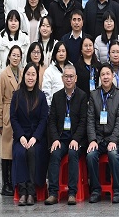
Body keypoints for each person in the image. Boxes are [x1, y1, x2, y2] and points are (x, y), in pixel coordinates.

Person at [44, 64, 87, 205]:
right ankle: (53, 193)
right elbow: (51, 121)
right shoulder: (57, 97)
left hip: (76, 139)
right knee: (55, 153)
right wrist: (55, 139)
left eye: (71, 77)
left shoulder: (82, 96)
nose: (69, 79)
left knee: (73, 153)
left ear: (76, 78)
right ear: (62, 78)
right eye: (66, 76)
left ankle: (72, 193)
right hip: (61, 139)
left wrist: (76, 139)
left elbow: (83, 121)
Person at [86, 62, 119, 204]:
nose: (105, 77)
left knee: (113, 154)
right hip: (98, 138)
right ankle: (96, 190)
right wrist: (92, 140)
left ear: (113, 76)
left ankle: (117, 191)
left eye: (108, 74)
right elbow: (90, 120)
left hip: (114, 139)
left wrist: (113, 140)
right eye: (103, 74)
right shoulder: (94, 95)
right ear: (100, 77)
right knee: (91, 155)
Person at [11, 63, 48, 206]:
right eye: (28, 74)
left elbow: (44, 119)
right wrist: (20, 136)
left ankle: (31, 192)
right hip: (20, 137)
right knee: (20, 153)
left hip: (36, 138)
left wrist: (35, 137)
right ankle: (22, 191)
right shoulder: (16, 95)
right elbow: (13, 118)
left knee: (32, 151)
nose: (30, 77)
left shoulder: (41, 96)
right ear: (23, 75)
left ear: (37, 77)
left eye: (33, 74)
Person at [0, 45, 23, 196]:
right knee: (6, 151)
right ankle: (6, 184)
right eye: (14, 55)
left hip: (20, 113)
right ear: (9, 56)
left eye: (18, 55)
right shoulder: (3, 75)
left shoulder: (22, 73)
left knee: (15, 150)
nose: (16, 58)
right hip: (7, 113)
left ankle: (14, 181)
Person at [0, 10, 30, 85]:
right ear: (7, 22)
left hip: (21, 81)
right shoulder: (1, 39)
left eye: (16, 21)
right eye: (11, 20)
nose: (13, 23)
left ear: (19, 23)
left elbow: (27, 62)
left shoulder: (25, 39)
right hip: (4, 81)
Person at [42, 41, 68, 106]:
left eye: (63, 51)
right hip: (54, 106)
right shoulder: (49, 71)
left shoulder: (71, 68)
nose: (61, 54)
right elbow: (46, 91)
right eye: (58, 51)